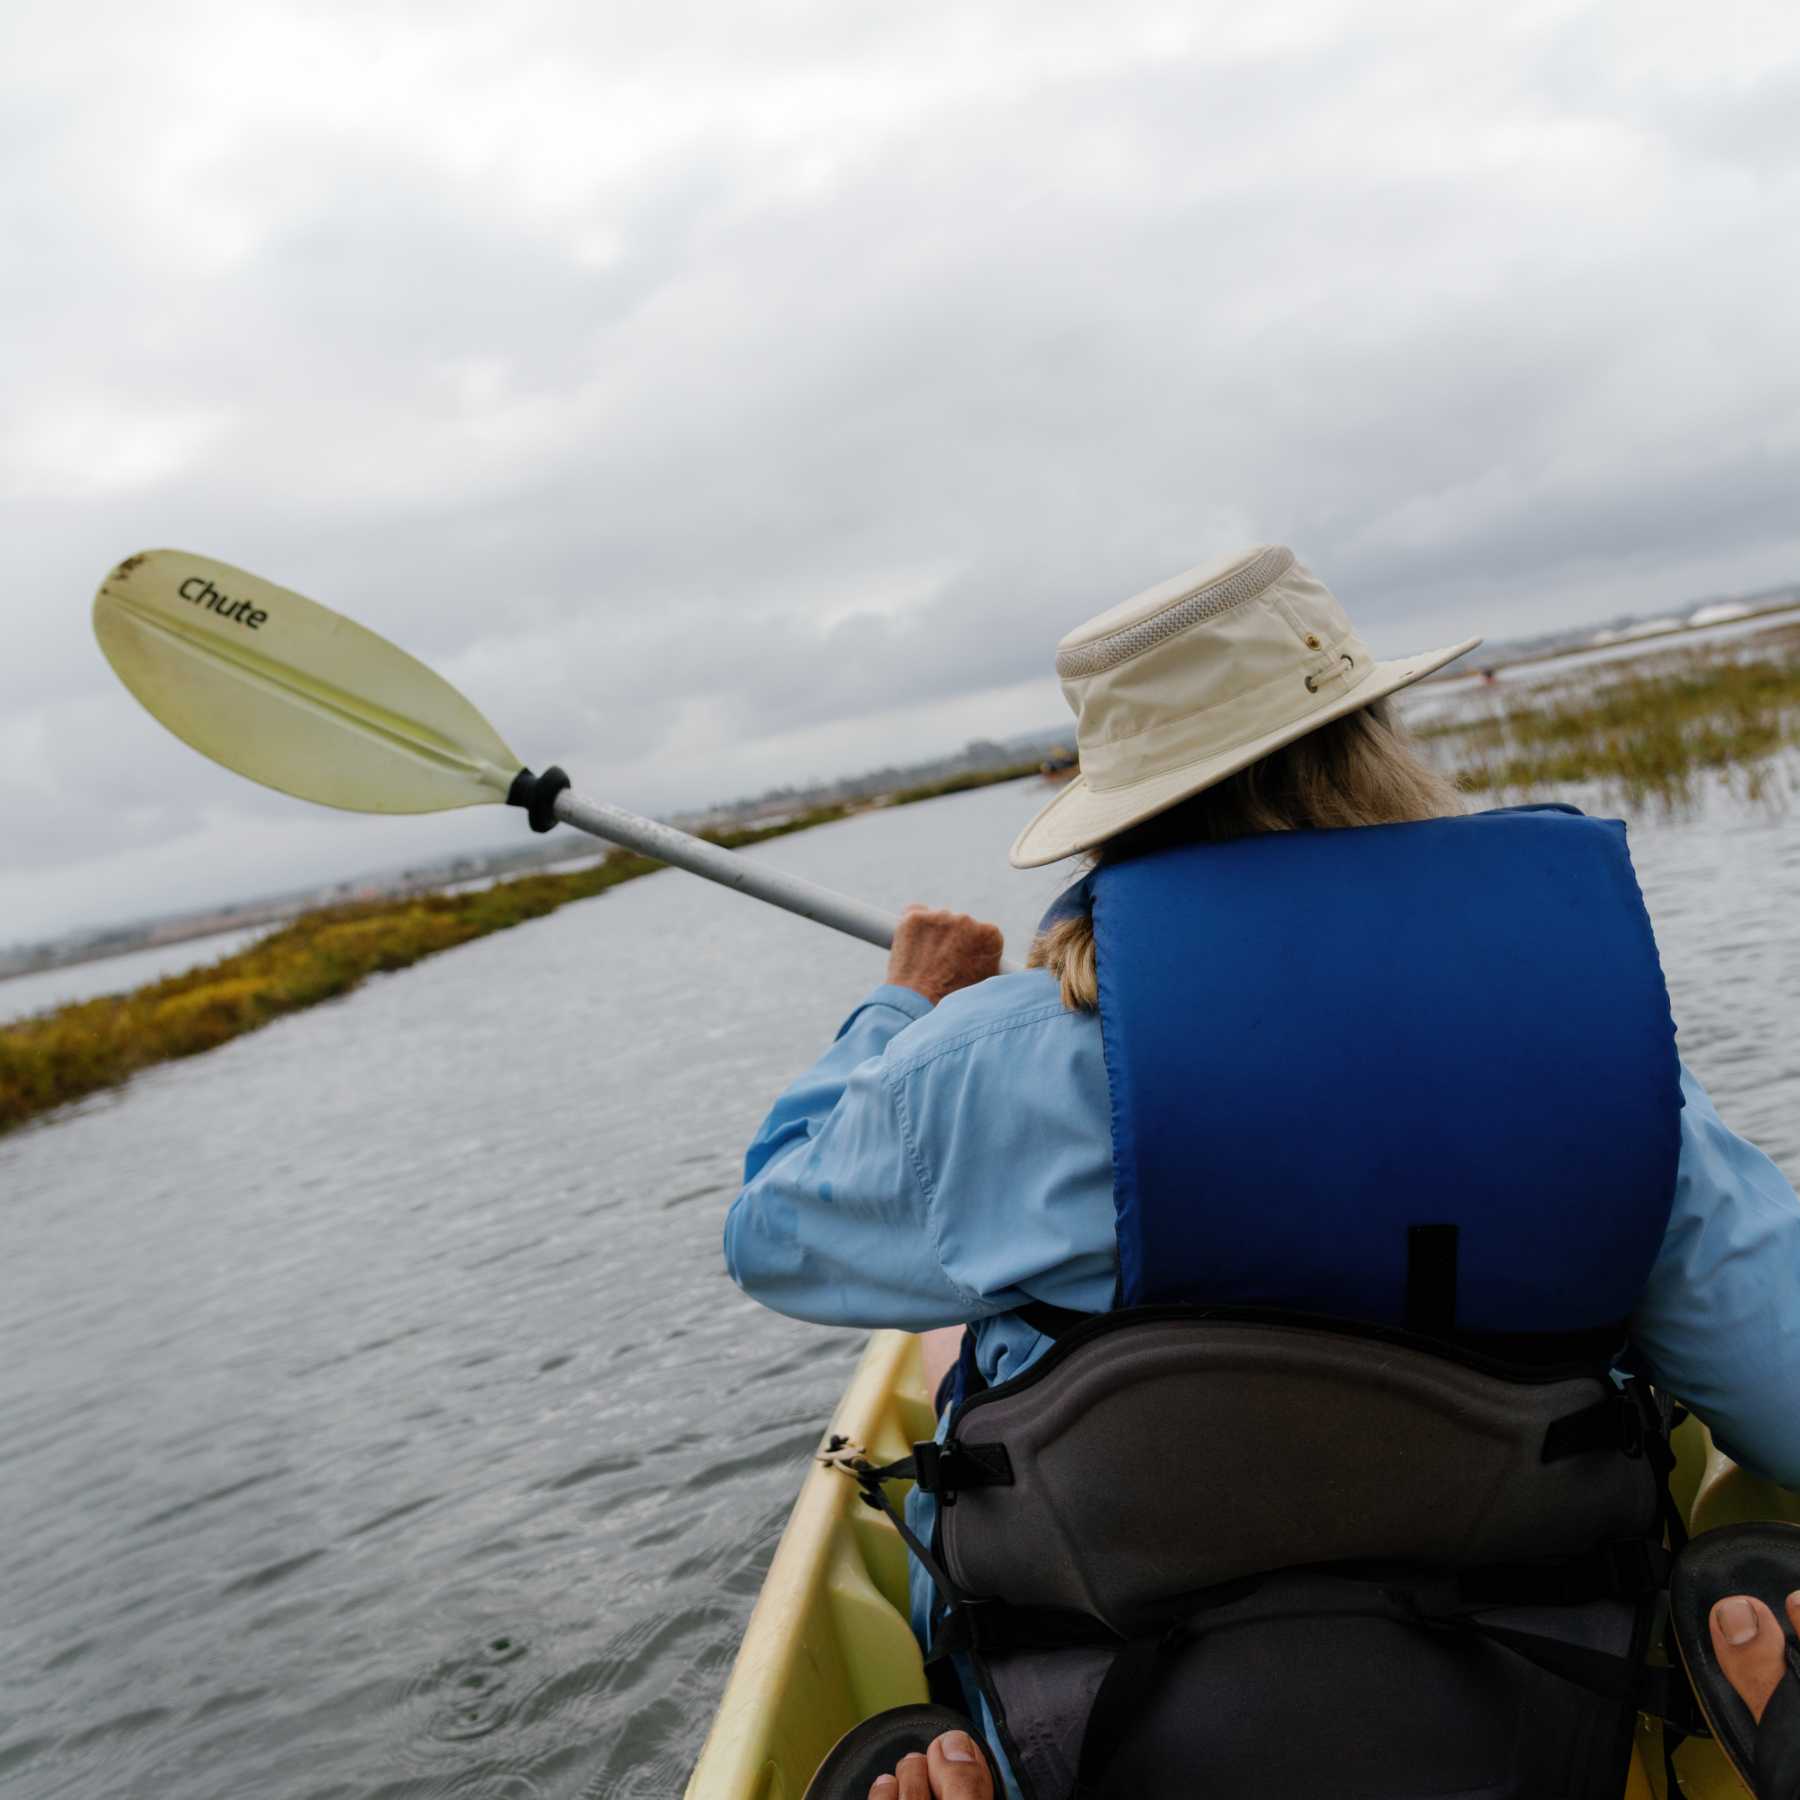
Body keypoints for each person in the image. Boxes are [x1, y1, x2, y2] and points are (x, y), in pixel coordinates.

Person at [725, 545, 1800, 1800]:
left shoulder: (981, 1068)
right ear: (1371, 734)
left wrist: (901, 1009)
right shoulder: (1592, 1037)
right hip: (1549, 1689)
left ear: (1113, 803)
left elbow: (774, 1233)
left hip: (1085, 1701)